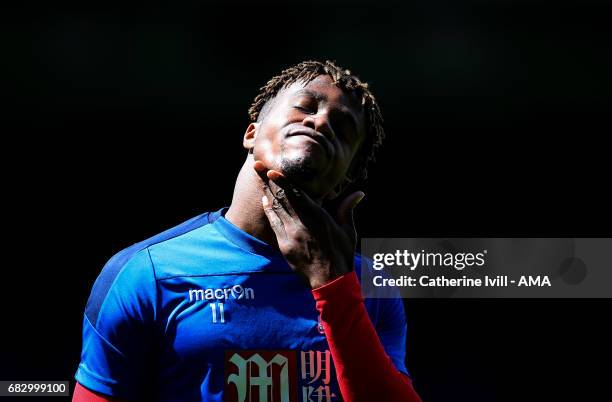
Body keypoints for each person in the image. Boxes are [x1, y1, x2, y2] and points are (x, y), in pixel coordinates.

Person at [73, 60, 422, 402]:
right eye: (306, 106)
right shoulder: (145, 272)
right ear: (251, 133)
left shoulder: (369, 288)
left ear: (342, 180)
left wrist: (333, 285)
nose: (321, 121)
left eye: (343, 129)